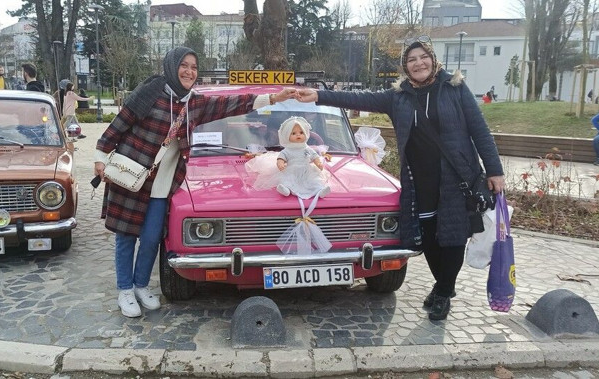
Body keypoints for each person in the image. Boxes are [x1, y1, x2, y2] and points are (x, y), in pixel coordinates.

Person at [295, 35, 505, 321]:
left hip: (456, 177)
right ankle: (443, 285)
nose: (419, 63)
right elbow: (359, 98)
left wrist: (494, 170)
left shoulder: (454, 88)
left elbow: (479, 129)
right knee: (428, 236)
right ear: (406, 67)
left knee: (453, 235)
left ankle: (444, 292)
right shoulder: (398, 96)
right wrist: (319, 96)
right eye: (411, 60)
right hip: (419, 179)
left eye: (423, 57)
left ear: (433, 60)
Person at [93, 46, 296, 318]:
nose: (189, 71)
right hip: (132, 176)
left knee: (152, 238)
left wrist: (273, 98)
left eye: (194, 67)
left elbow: (231, 104)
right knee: (126, 235)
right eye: (184, 65)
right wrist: (100, 156)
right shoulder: (149, 93)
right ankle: (125, 290)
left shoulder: (194, 103)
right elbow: (119, 125)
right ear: (172, 66)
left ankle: (141, 285)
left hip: (163, 183)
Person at [246, 116, 330, 199]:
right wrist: (280, 164)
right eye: (293, 133)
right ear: (287, 136)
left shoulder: (307, 148)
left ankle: (320, 190)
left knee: (314, 180)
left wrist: (318, 163)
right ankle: (286, 190)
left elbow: (314, 156)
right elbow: (281, 158)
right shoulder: (287, 150)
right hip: (291, 170)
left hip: (306, 170)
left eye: (301, 132)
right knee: (287, 179)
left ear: (306, 134)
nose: (298, 135)